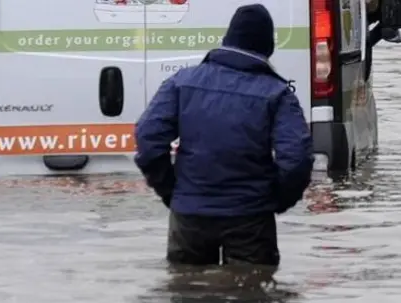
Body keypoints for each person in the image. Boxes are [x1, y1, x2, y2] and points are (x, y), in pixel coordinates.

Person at [134, 3, 313, 267]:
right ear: (267, 47)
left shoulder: (181, 82)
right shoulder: (277, 94)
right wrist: (276, 200)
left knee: (188, 298)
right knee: (252, 298)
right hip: (251, 218)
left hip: (189, 216)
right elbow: (296, 158)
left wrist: (174, 191)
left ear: (228, 38)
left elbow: (148, 138)